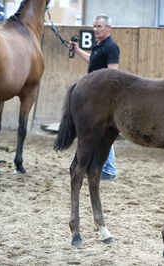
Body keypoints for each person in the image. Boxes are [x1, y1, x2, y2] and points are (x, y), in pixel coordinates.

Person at [69, 14, 119, 181]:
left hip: (102, 97)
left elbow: (113, 72)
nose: (95, 29)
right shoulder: (99, 45)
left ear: (108, 28)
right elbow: (92, 61)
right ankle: (105, 168)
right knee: (98, 132)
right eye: (94, 26)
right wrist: (77, 50)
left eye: (99, 26)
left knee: (103, 132)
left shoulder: (111, 46)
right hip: (94, 95)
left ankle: (109, 169)